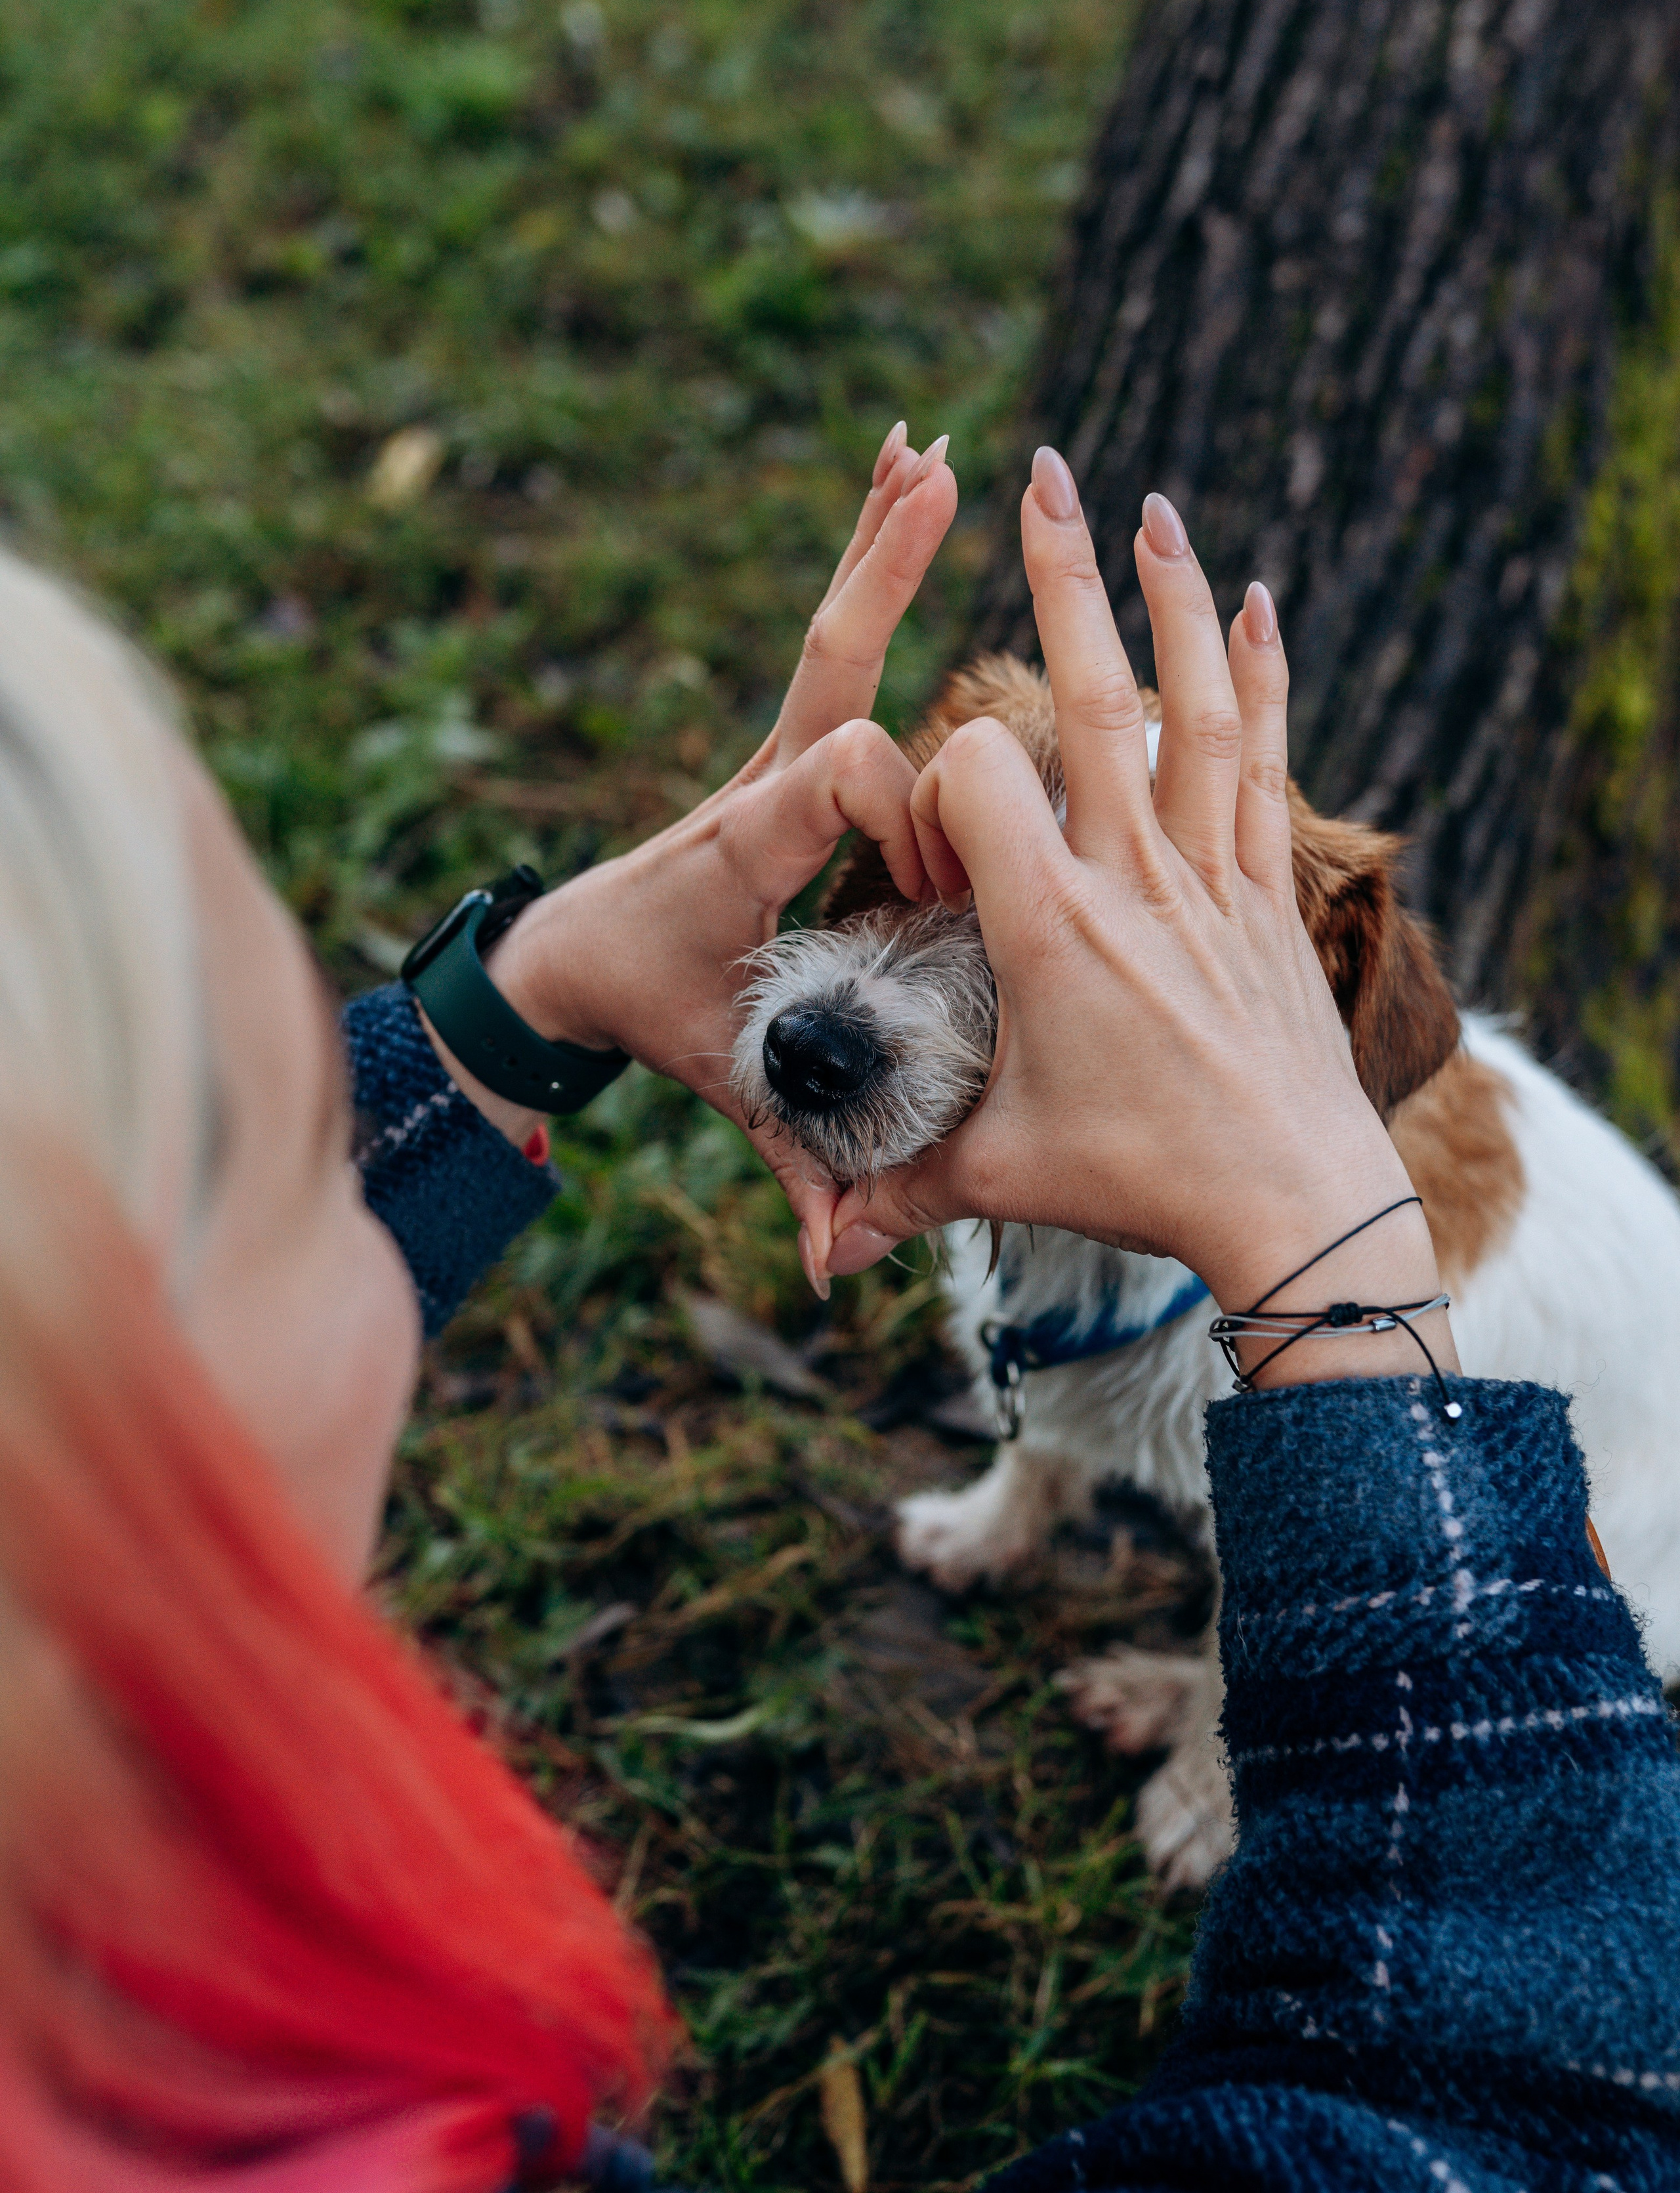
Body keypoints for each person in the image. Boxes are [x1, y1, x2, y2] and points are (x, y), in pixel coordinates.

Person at [0, 418, 1674, 2193]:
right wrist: (1331, 1288)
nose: (845, 1002)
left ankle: (1217, 1726)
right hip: (1464, 1616)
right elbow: (1523, 2105)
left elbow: (1272, 1529)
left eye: (1042, 969)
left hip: (1622, 1525)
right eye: (915, 877)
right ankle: (1036, 1510)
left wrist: (524, 999)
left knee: (1247, 1520)